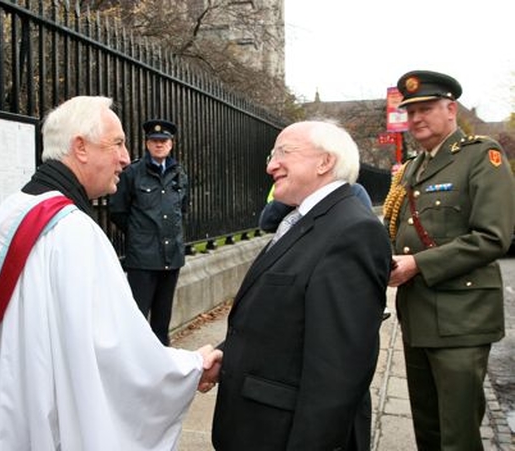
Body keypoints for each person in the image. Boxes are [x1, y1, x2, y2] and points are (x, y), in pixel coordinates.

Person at [0, 96, 222, 451]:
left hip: (12, 402)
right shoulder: (72, 231)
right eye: (117, 144)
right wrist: (191, 367)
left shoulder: (17, 208)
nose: (126, 158)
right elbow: (116, 349)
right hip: (47, 414)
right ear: (80, 147)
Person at [212, 120, 392, 450]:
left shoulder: (352, 231)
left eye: (284, 152)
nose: (271, 165)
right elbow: (286, 321)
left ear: (325, 161)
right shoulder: (303, 220)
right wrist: (228, 356)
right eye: (272, 153)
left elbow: (338, 372)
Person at [382, 70, 515, 450]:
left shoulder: (481, 156)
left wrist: (418, 265)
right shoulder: (412, 168)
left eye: (426, 109)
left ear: (450, 109)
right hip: (419, 313)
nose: (416, 119)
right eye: (411, 112)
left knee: (457, 435)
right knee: (428, 429)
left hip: (462, 316)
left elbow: (493, 237)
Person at [108, 119, 189, 345]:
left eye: (164, 141)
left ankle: (162, 368)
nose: (159, 145)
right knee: (138, 320)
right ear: (147, 144)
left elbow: (182, 210)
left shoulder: (179, 174)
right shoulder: (133, 173)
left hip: (171, 258)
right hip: (143, 259)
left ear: (171, 144)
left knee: (162, 324)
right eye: (154, 141)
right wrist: (139, 235)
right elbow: (118, 211)